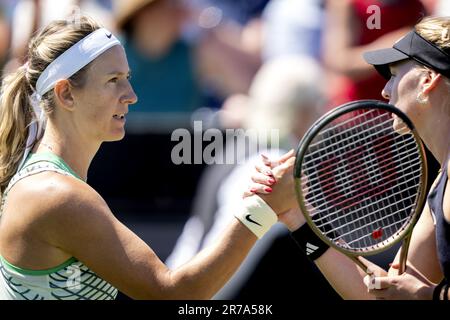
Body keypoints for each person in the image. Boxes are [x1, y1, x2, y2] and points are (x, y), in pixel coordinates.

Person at [0, 15, 296, 300]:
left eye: (127, 78)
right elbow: (174, 294)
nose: (131, 94)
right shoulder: (58, 195)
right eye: (113, 80)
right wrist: (262, 209)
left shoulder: (56, 186)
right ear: (66, 94)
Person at [247, 16, 450, 299]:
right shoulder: (444, 179)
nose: (385, 90)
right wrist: (299, 219)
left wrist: (428, 296)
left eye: (394, 74)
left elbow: (418, 294)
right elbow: (385, 296)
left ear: (427, 80)